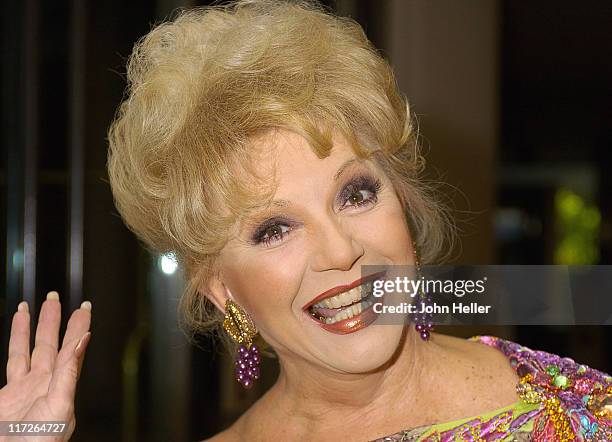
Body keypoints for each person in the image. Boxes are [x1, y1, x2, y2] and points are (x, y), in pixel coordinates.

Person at [2, 1, 610, 441]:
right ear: (220, 288)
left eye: (356, 193)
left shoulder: (570, 408)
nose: (341, 251)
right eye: (274, 229)